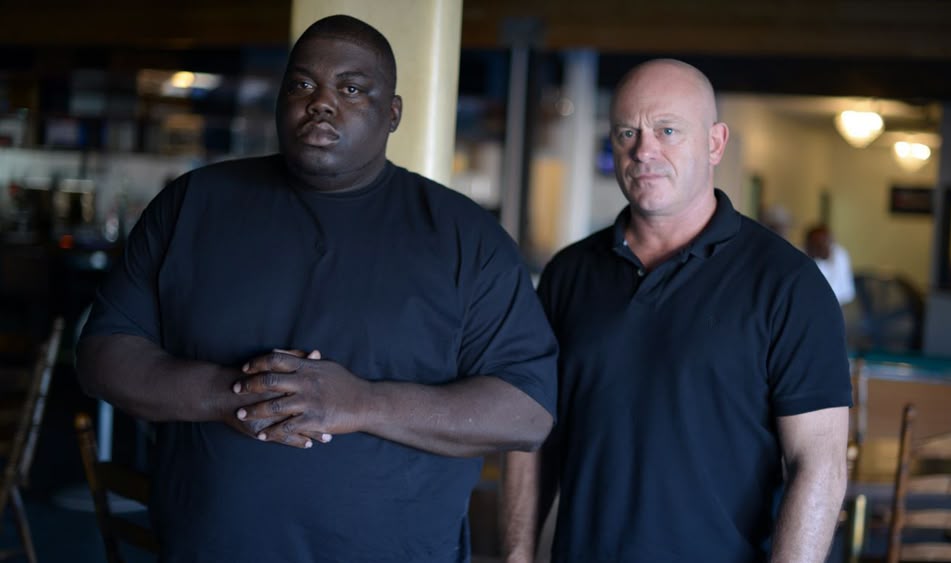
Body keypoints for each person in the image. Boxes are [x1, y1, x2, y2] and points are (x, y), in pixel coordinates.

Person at [76, 15, 557, 563]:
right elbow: (102, 356)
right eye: (302, 84)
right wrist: (233, 395)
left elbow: (527, 411)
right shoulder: (192, 205)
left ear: (393, 113)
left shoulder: (465, 238)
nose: (321, 103)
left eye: (351, 89)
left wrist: (362, 403)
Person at [502, 59, 852, 562]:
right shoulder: (569, 274)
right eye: (627, 132)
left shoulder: (788, 284)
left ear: (715, 143)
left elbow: (819, 466)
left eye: (667, 130)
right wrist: (516, 555)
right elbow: (532, 433)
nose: (644, 151)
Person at [805, 224, 856, 305]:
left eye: (824, 243)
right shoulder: (801, 257)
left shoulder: (840, 255)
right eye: (816, 245)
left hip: (840, 304)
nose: (820, 248)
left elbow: (842, 293)